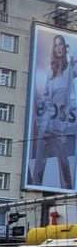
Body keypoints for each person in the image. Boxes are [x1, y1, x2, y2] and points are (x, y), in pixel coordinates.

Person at [30, 33, 77, 190]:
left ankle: (68, 189)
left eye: (61, 45)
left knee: (63, 159)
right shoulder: (49, 69)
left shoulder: (70, 67)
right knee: (39, 159)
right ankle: (35, 187)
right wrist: (40, 117)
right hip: (47, 120)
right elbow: (45, 96)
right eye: (56, 45)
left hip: (60, 121)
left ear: (64, 47)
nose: (58, 48)